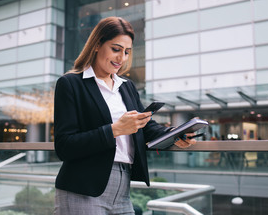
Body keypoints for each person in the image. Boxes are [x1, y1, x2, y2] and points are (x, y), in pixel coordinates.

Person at [53, 16, 197, 215]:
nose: (121, 58)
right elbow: (64, 146)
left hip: (123, 187)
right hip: (83, 188)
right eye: (116, 49)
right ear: (97, 45)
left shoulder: (126, 86)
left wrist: (174, 134)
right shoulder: (70, 84)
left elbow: (145, 126)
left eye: (127, 52)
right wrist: (114, 130)